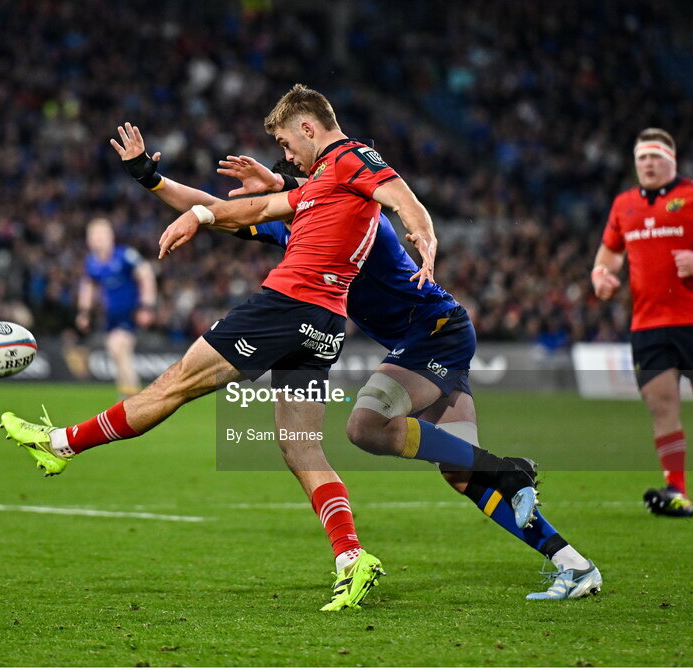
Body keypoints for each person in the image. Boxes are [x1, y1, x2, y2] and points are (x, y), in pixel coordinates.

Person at [2, 83, 470, 611]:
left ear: (308, 127)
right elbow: (229, 208)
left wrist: (424, 237)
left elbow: (400, 196)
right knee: (300, 446)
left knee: (174, 382)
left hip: (288, 304)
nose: (285, 156)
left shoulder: (346, 160)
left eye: (287, 145)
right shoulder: (312, 197)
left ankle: (61, 443)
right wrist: (152, 180)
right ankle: (351, 557)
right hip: (325, 324)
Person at [111, 123, 599, 601]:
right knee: (462, 472)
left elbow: (375, 195)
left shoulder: (352, 212)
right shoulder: (295, 233)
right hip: (427, 339)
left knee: (366, 426)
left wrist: (420, 234)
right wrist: (148, 177)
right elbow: (218, 210)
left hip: (433, 331)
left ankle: (506, 469)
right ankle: (573, 564)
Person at [591, 128, 693, 517]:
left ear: (671, 161)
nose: (647, 163)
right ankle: (677, 491)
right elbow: (607, 257)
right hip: (648, 324)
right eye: (641, 157)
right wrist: (601, 278)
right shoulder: (623, 205)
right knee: (662, 407)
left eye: (655, 157)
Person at [76, 217, 157, 398]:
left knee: (119, 347)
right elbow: (88, 286)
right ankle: (128, 395)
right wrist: (84, 312)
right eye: (93, 236)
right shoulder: (92, 262)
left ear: (110, 236)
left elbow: (146, 274)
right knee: (116, 352)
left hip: (130, 313)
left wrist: (147, 306)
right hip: (111, 316)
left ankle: (132, 396)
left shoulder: (125, 255)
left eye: (100, 235)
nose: (97, 240)